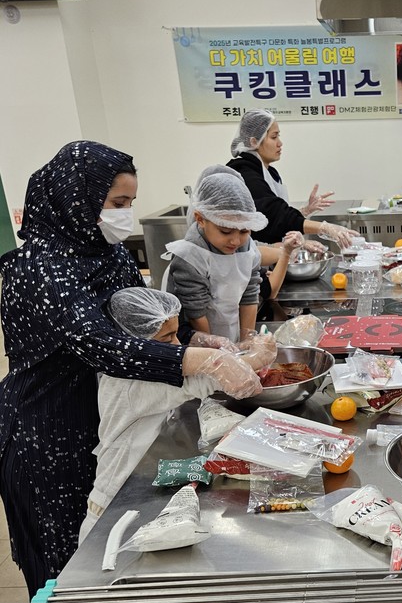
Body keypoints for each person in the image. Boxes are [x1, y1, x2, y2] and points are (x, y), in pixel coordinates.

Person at [0, 141, 264, 596]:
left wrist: (194, 338)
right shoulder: (38, 268)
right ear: (76, 199)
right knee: (69, 569)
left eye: (130, 204)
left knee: (110, 549)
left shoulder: (110, 253)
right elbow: (104, 346)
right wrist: (206, 361)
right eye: (117, 204)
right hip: (48, 432)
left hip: (107, 414)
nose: (124, 215)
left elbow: (146, 321)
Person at [78, 287, 277, 543]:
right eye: (166, 340)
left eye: (176, 334)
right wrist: (257, 357)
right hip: (111, 510)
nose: (177, 347)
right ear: (135, 344)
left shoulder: (136, 369)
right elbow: (203, 379)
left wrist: (234, 352)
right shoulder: (128, 382)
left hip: (137, 499)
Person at [165, 171, 303, 343]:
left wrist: (246, 341)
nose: (236, 241)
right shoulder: (190, 256)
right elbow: (196, 313)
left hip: (231, 331)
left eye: (244, 231)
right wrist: (215, 349)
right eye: (225, 231)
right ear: (200, 219)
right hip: (196, 341)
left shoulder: (246, 247)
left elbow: (249, 294)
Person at [226, 109, 356, 249]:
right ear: (254, 142)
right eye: (274, 137)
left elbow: (275, 220)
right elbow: (274, 213)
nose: (280, 143)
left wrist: (304, 211)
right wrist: (323, 228)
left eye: (278, 136)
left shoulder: (269, 172)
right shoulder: (244, 172)